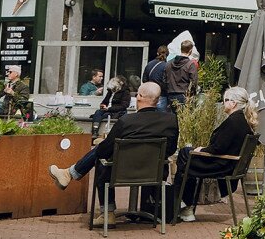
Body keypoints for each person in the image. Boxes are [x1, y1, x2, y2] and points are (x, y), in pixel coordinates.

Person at [47, 82, 178, 218]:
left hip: (122, 173)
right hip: (154, 172)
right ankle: (69, 173)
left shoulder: (126, 121)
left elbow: (103, 152)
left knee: (101, 158)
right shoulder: (171, 120)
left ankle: (107, 214)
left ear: (139, 97)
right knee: (102, 150)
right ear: (157, 99)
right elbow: (171, 149)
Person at [173, 86, 257, 222]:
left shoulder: (233, 122)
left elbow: (218, 148)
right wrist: (203, 149)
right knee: (187, 158)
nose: (223, 103)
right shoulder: (243, 121)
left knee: (185, 156)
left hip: (220, 165)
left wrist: (202, 150)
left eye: (225, 100)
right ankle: (185, 206)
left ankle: (182, 202)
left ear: (233, 103)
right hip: (230, 164)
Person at [164, 40, 198, 113]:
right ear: (190, 50)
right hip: (185, 95)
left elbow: (164, 80)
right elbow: (194, 83)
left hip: (171, 95)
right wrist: (191, 95)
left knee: (173, 118)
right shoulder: (190, 64)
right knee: (184, 118)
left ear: (181, 49)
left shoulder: (169, 63)